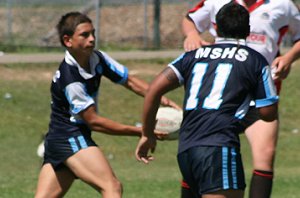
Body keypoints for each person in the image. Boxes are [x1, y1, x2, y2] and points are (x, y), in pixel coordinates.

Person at [135, 2, 279, 197]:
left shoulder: (192, 56)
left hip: (186, 149)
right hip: (219, 147)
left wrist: (147, 133)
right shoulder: (255, 60)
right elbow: (268, 114)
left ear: (216, 28)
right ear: (248, 31)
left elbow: (153, 90)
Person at [34, 11, 180, 198]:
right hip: (70, 137)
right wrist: (142, 131)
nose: (92, 39)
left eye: (93, 33)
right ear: (67, 40)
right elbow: (94, 121)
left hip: (58, 139)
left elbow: (130, 81)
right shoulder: (72, 80)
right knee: (112, 187)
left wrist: (163, 99)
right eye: (85, 35)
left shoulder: (97, 58)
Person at [181, 0, 300, 197]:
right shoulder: (215, 2)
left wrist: (288, 58)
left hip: (259, 97)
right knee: (203, 151)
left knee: (265, 155)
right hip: (220, 98)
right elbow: (189, 19)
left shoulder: (282, 4)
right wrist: (192, 34)